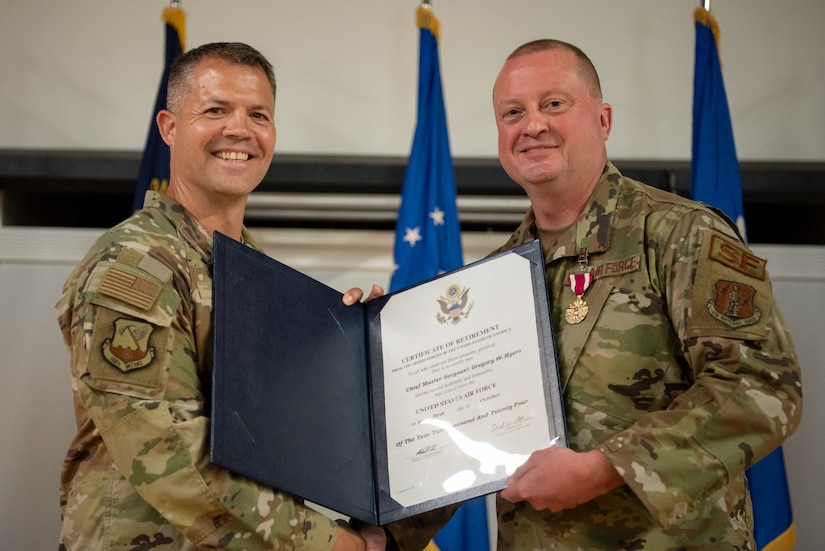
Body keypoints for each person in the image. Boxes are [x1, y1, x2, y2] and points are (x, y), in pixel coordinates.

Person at [385, 39, 802, 550]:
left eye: (553, 104)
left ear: (603, 120)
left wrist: (609, 469)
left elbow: (761, 386)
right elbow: (458, 439)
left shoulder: (681, 234)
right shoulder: (491, 281)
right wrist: (375, 534)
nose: (532, 124)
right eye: (512, 112)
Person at [56, 42, 385, 551]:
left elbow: (282, 444)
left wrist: (358, 348)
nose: (240, 129)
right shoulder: (137, 266)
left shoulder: (259, 279)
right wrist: (335, 545)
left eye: (259, 114)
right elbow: (167, 455)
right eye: (215, 110)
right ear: (168, 127)